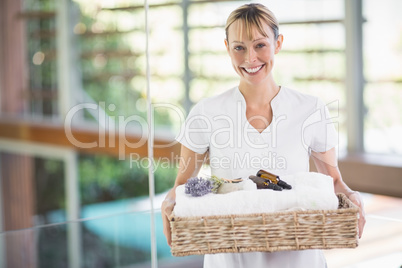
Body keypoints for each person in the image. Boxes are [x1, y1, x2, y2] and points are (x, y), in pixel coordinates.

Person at [162, 3, 366, 268]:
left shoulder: (310, 109)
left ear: (278, 43)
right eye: (239, 47)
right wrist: (169, 201)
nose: (250, 59)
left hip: (300, 261)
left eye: (260, 45)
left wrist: (352, 195)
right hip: (230, 262)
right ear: (227, 48)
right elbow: (183, 187)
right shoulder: (206, 113)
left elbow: (333, 182)